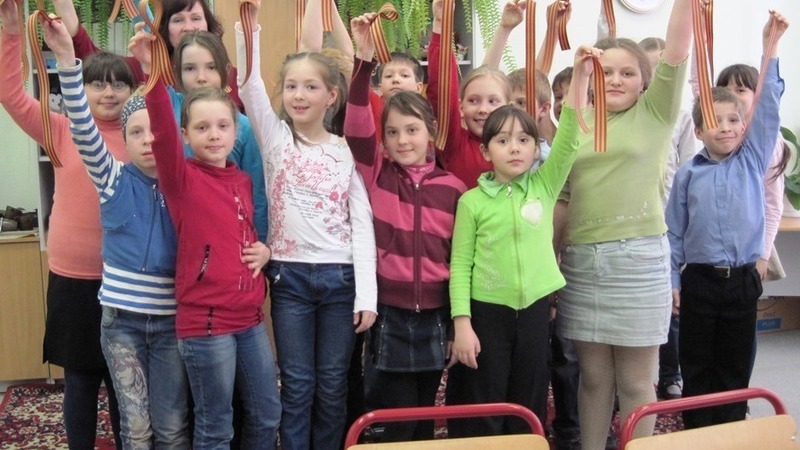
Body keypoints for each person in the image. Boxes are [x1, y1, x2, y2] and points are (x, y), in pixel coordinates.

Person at [235, 2, 378, 449]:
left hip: (341, 280)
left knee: (333, 383)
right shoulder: (276, 138)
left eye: (310, 86)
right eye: (291, 86)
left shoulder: (346, 150)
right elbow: (249, 86)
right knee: (297, 383)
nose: (298, 95)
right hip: (290, 278)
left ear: (331, 96)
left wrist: (367, 295)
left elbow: (362, 224)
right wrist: (249, 31)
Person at [131, 27, 282, 448]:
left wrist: (264, 250)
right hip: (207, 324)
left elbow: (245, 232)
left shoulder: (241, 180)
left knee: (267, 413)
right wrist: (152, 73)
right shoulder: (182, 178)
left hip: (249, 318)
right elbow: (162, 130)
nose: (214, 134)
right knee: (216, 425)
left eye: (222, 126)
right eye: (202, 127)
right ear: (186, 136)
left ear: (236, 133)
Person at [553, 0, 695, 447]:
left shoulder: (656, 114)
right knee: (594, 378)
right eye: (606, 71)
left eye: (627, 72)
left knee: (635, 382)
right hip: (581, 263)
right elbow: (563, 197)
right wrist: (552, 259)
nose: (615, 79)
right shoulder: (575, 122)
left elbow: (677, 49)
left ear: (645, 81)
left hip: (638, 262)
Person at [44, 19, 190, 449]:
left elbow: (179, 114)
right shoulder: (111, 179)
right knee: (136, 426)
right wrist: (67, 60)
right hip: (122, 324)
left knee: (172, 425)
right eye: (136, 133)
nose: (148, 140)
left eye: (156, 132)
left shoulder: (182, 185)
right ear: (123, 139)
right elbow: (83, 127)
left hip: (169, 321)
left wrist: (154, 67)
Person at [446, 45, 590, 437]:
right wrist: (462, 323)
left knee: (527, 401)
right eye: (503, 141)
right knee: (486, 401)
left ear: (534, 146)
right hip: (486, 312)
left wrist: (580, 75)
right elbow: (460, 266)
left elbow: (570, 136)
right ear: (485, 149)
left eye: (524, 140)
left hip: (534, 311)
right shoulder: (472, 202)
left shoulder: (544, 185)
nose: (514, 148)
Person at [0, 2, 125, 448]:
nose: (108, 93)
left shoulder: (144, 136)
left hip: (126, 281)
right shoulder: (60, 130)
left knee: (124, 382)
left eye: (118, 84)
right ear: (79, 88)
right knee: (80, 379)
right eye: (97, 83)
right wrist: (12, 32)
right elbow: (11, 94)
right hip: (73, 278)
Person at [345, 13, 467, 442]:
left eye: (412, 130)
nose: (402, 140)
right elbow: (356, 122)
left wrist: (455, 320)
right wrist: (363, 61)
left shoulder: (453, 188)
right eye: (393, 132)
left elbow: (460, 259)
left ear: (431, 132)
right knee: (390, 417)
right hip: (390, 312)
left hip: (436, 313)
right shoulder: (377, 173)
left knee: (423, 412)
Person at [666, 10, 787, 429]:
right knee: (697, 364)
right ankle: (698, 432)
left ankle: (732, 428)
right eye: (716, 122)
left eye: (735, 120)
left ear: (745, 125)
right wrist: (674, 280)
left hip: (741, 281)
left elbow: (768, 106)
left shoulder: (753, 160)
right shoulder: (688, 174)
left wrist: (770, 47)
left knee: (735, 366)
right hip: (699, 281)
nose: (727, 128)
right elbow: (674, 233)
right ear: (699, 131)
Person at [639, 35, 701, 401]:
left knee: (670, 301)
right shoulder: (629, 112)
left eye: (661, 67)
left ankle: (670, 373)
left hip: (668, 220)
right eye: (648, 68)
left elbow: (689, 164)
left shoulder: (680, 112)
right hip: (636, 221)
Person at [164, 30, 268, 242]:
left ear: (226, 70)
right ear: (177, 73)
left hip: (225, 239)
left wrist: (260, 243)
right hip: (172, 235)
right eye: (190, 68)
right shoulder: (168, 110)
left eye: (211, 67)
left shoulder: (244, 126)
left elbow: (257, 193)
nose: (201, 77)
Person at [52, 0, 245, 112]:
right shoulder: (144, 68)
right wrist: (65, 10)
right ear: (165, 28)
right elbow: (95, 61)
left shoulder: (233, 77)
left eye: (196, 18)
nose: (188, 27)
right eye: (178, 20)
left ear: (208, 25)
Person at [428, 0, 511, 189]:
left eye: (493, 101)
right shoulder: (455, 143)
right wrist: (440, 25)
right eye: (473, 101)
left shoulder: (517, 145)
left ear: (509, 107)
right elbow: (442, 90)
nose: (483, 109)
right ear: (461, 107)